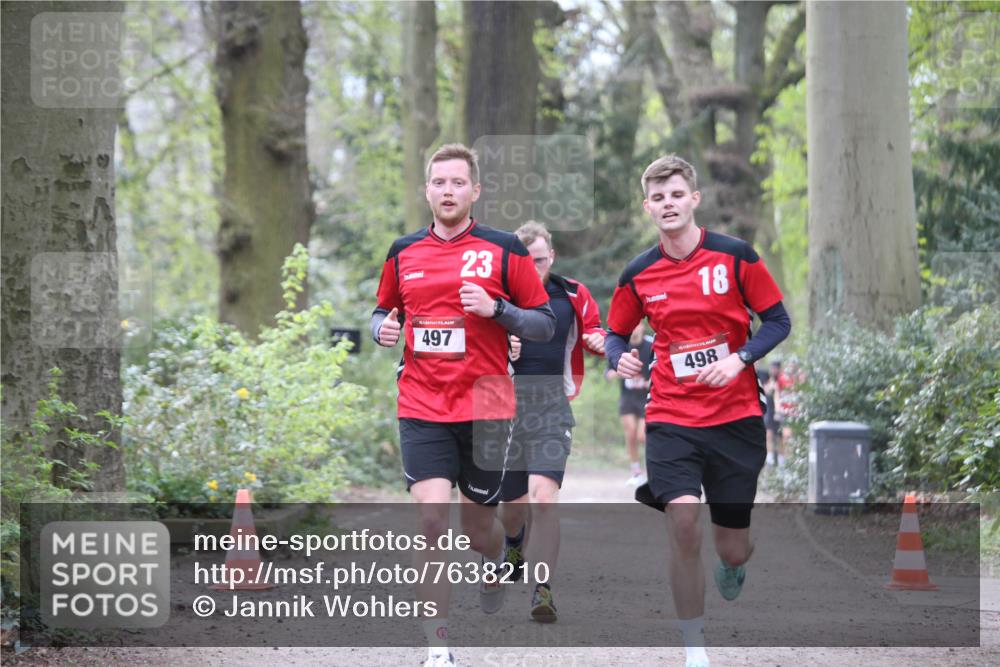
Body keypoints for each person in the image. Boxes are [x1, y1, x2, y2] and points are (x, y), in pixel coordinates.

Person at [371, 143, 556, 667]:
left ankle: (497, 554)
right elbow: (382, 310)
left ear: (475, 191)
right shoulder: (402, 251)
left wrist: (498, 309)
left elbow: (543, 322)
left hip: (488, 403)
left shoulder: (503, 250)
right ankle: (438, 647)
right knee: (431, 521)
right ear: (426, 189)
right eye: (438, 182)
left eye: (457, 182)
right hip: (422, 402)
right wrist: (382, 327)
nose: (447, 191)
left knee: (479, 530)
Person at [604, 155, 791, 667]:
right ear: (648, 207)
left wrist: (740, 359)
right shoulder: (639, 272)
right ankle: (694, 648)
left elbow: (777, 321)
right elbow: (617, 329)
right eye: (658, 198)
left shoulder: (736, 256)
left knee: (732, 549)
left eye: (676, 194)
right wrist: (618, 354)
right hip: (670, 414)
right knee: (683, 523)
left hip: (735, 419)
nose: (668, 204)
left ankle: (734, 565)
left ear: (694, 199)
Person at [497, 221, 606, 623]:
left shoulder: (572, 294)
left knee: (543, 498)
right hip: (503, 408)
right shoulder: (498, 296)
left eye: (540, 260)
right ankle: (512, 545)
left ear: (552, 258)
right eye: (525, 261)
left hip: (550, 407)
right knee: (511, 509)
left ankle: (542, 590)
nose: (533, 267)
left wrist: (601, 341)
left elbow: (595, 331)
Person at [605, 321, 654, 485]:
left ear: (642, 327)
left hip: (646, 398)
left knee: (642, 436)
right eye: (631, 326)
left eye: (637, 325)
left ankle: (653, 469)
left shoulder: (650, 345)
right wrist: (615, 373)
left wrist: (650, 382)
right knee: (630, 433)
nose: (634, 329)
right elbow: (609, 370)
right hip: (627, 397)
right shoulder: (620, 346)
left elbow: (661, 367)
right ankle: (636, 472)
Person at [762, 360, 782, 466]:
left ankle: (781, 459)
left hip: (779, 411)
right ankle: (769, 458)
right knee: (769, 435)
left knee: (780, 436)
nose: (774, 370)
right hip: (769, 411)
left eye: (776, 368)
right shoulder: (767, 381)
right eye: (772, 368)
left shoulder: (781, 380)